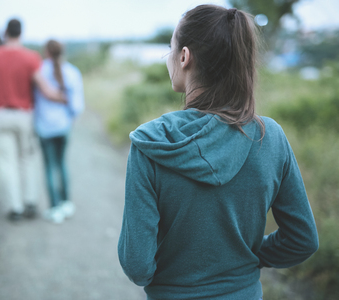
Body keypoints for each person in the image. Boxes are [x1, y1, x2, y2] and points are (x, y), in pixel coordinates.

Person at [118, 5, 319, 300]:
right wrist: (247, 255)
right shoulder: (270, 137)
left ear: (184, 57)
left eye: (170, 49)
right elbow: (302, 240)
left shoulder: (152, 143)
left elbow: (137, 266)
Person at [0, 19, 65, 221]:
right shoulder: (31, 57)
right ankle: (30, 203)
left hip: (0, 114)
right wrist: (63, 97)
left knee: (6, 163)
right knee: (27, 160)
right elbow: (45, 88)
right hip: (24, 115)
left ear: (5, 32)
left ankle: (14, 208)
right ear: (21, 33)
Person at [33, 39, 84, 224]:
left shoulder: (39, 70)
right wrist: (69, 118)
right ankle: (66, 203)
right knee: (62, 164)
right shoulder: (72, 72)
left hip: (44, 127)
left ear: (46, 52)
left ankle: (55, 208)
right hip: (63, 126)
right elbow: (77, 105)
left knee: (49, 166)